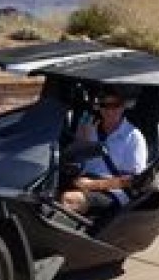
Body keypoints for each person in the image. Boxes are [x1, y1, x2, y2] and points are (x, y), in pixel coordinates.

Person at [61, 88, 147, 216]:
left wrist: (93, 185)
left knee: (68, 200)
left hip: (115, 191)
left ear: (122, 107)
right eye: (105, 105)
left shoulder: (133, 136)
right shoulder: (90, 129)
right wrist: (80, 141)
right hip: (83, 181)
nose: (110, 110)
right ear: (99, 108)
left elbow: (134, 180)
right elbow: (74, 159)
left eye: (115, 106)